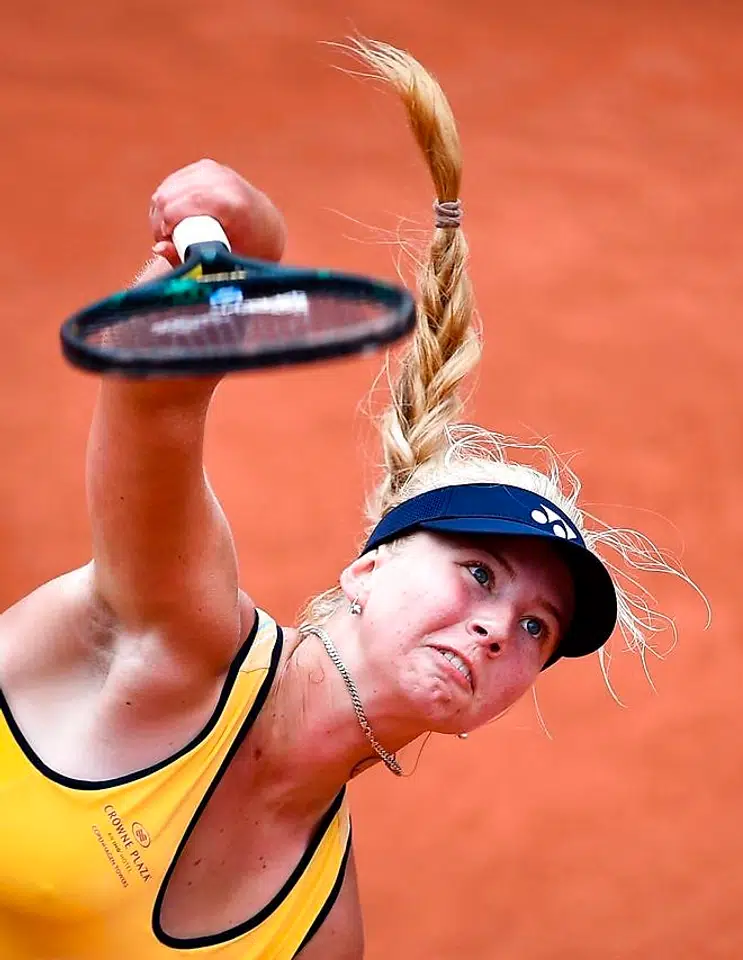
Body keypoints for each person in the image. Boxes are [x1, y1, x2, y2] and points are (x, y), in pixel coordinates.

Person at [0, 39, 690, 959]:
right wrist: (254, 247)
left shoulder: (319, 937)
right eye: (479, 573)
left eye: (538, 629)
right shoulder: (179, 632)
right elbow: (154, 383)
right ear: (367, 567)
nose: (498, 629)